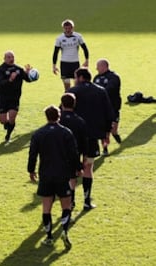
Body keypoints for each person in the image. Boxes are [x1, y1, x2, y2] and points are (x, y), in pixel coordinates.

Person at [27, 105, 81, 248]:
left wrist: (31, 171)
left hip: (46, 174)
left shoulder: (38, 133)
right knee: (66, 205)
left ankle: (49, 236)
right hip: (63, 174)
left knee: (46, 207)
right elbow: (73, 153)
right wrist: (78, 168)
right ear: (59, 116)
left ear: (46, 116)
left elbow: (32, 154)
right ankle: (64, 230)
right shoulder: (66, 133)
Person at [68, 68, 114, 211]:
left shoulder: (73, 91)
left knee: (73, 170)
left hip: (74, 137)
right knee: (88, 167)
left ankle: (71, 201)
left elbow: (63, 112)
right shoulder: (101, 91)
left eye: (75, 77)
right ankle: (87, 200)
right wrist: (106, 134)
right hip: (92, 137)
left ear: (80, 77)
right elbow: (109, 113)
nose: (75, 79)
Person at [0, 50, 33, 142]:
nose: (11, 59)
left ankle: (8, 135)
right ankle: (7, 124)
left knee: (12, 118)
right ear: (4, 59)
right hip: (2, 98)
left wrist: (28, 73)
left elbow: (28, 80)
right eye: (8, 57)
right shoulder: (0, 70)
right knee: (3, 121)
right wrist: (10, 80)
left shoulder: (18, 69)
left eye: (12, 57)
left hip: (14, 98)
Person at [59, 93, 88, 210]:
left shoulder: (57, 120)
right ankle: (71, 202)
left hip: (58, 154)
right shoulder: (79, 121)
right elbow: (84, 141)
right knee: (72, 179)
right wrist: (84, 158)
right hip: (74, 155)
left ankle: (65, 205)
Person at [93, 59, 122, 155]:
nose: (96, 68)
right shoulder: (96, 78)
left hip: (113, 107)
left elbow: (109, 90)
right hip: (102, 108)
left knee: (113, 129)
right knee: (105, 130)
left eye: (98, 66)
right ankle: (105, 149)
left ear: (104, 66)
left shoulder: (114, 77)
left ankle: (115, 135)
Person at [52, 19, 89, 91]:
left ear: (73, 28)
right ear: (63, 28)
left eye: (69, 28)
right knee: (67, 86)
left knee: (77, 85)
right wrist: (54, 66)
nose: (68, 30)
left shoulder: (78, 36)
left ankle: (77, 101)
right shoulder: (59, 38)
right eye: (66, 28)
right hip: (64, 64)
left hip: (75, 63)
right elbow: (55, 52)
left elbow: (85, 48)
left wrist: (87, 60)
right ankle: (67, 101)